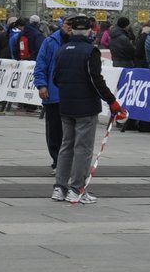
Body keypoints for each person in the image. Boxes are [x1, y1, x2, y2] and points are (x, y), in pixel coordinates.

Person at [50, 15, 123, 204]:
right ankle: (76, 189)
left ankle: (59, 187)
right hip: (86, 107)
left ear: (72, 30)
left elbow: (56, 78)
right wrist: (112, 101)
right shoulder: (91, 51)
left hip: (65, 104)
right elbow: (95, 79)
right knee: (83, 148)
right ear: (89, 31)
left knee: (66, 146)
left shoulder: (62, 50)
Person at [34, 18, 75, 179]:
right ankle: (57, 161)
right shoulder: (50, 42)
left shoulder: (80, 42)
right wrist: (41, 85)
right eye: (68, 24)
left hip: (72, 94)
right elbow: (41, 65)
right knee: (55, 131)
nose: (70, 28)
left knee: (72, 132)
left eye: (73, 25)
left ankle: (70, 162)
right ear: (62, 25)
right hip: (53, 94)